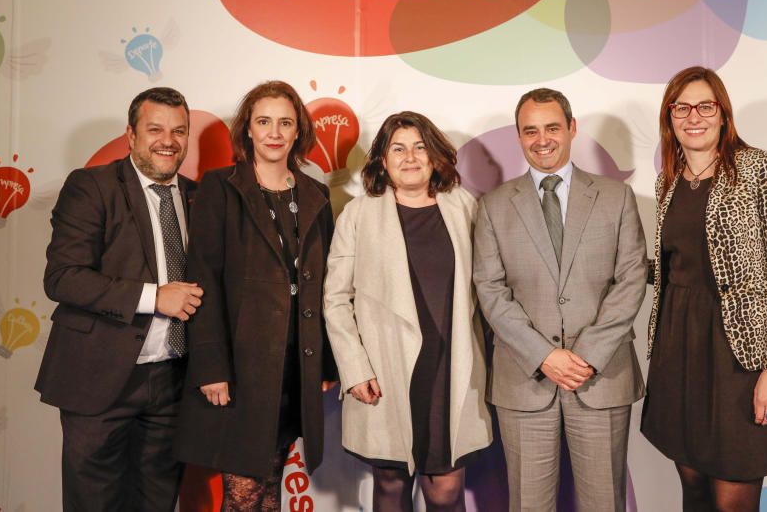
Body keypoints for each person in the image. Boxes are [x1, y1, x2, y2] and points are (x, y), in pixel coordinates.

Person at [473, 88, 647, 512]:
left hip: (600, 376)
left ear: (571, 128)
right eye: (530, 131)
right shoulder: (494, 206)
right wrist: (545, 356)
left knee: (604, 504)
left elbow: (631, 279)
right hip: (525, 379)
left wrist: (586, 355)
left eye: (552, 127)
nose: (542, 139)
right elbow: (491, 291)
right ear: (518, 137)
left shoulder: (616, 197)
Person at [641, 66, 767, 511]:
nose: (694, 116)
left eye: (705, 106)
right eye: (682, 107)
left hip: (741, 355)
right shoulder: (667, 183)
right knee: (693, 491)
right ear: (669, 117)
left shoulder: (759, 168)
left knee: (734, 498)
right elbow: (677, 266)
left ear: (723, 114)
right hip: (679, 350)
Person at [36, 87, 202, 511]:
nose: (169, 140)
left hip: (172, 381)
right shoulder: (91, 186)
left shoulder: (200, 196)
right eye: (155, 129)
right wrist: (153, 297)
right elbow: (63, 278)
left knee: (158, 502)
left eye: (179, 130)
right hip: (98, 377)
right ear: (131, 135)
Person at [173, 81, 336, 512]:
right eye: (264, 121)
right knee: (243, 494)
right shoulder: (219, 188)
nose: (274, 132)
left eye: (285, 122)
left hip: (295, 367)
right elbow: (201, 277)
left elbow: (328, 286)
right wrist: (210, 366)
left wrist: (326, 363)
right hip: (240, 370)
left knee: (272, 484)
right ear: (247, 129)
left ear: (299, 130)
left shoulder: (316, 194)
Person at [324, 111, 492, 512]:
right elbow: (335, 298)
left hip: (452, 369)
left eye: (420, 147)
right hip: (384, 370)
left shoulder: (464, 207)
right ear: (383, 159)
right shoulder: (359, 215)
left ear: (435, 157)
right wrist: (355, 369)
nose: (410, 157)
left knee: (446, 490)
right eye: (398, 148)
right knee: (390, 485)